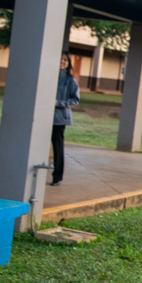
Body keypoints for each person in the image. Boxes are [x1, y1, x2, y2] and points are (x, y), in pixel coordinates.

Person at [50, 52, 80, 186]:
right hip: (44, 117)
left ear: (68, 64)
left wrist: (58, 103)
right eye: (60, 59)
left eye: (65, 60)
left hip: (59, 118)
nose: (62, 62)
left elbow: (75, 99)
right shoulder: (49, 76)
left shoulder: (70, 80)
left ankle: (57, 177)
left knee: (57, 147)